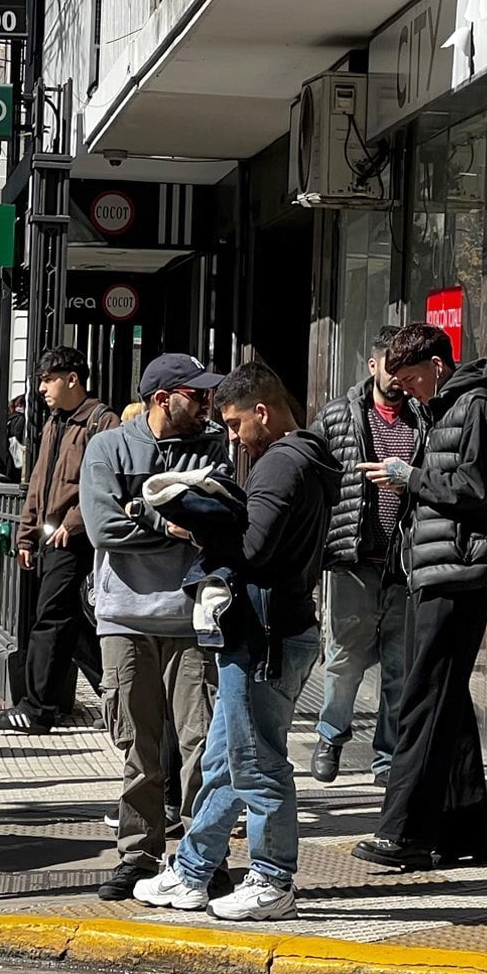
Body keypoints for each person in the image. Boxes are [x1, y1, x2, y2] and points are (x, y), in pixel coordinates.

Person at [133, 362, 338, 919]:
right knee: (224, 758)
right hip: (278, 627)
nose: (230, 435)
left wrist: (198, 522)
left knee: (257, 762)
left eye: (233, 422)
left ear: (263, 412)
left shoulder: (278, 464)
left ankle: (273, 880)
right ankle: (193, 870)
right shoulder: (312, 457)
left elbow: (253, 550)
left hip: (262, 635)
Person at [350, 324, 487, 872]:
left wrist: (408, 476)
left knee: (424, 699)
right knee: (445, 701)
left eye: (410, 379)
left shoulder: (474, 408)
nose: (406, 391)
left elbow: (475, 490)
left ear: (436, 364)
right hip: (436, 570)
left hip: (458, 572)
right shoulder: (446, 408)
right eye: (397, 382)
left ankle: (404, 831)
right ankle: (468, 833)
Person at [79, 354, 229, 902]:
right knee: (138, 746)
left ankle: (202, 858)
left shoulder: (218, 447)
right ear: (165, 399)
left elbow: (224, 518)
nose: (209, 405)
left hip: (194, 619)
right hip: (124, 618)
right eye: (199, 395)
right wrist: (173, 524)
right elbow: (102, 528)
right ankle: (138, 855)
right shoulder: (110, 448)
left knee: (202, 743)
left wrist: (149, 515)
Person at [310, 324, 416, 786]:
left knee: (399, 663)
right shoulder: (337, 418)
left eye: (403, 369)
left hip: (406, 562)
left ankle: (388, 757)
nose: (396, 378)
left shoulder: (424, 418)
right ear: (372, 365)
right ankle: (331, 735)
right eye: (388, 367)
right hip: (355, 558)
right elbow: (311, 481)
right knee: (345, 658)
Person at [0, 346, 118, 733]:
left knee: (51, 618)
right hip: (50, 538)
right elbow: (37, 486)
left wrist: (74, 523)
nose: (42, 389)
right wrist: (26, 537)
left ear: (72, 379)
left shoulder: (102, 422)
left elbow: (105, 483)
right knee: (73, 623)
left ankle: (38, 708)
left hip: (77, 538)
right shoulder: (53, 422)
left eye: (48, 380)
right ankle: (117, 698)